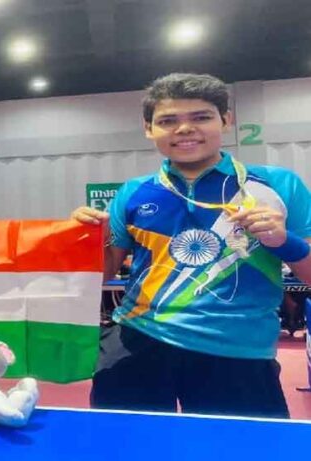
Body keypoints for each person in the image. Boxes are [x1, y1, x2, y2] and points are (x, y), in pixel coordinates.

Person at [71, 73, 311, 418]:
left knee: (237, 449)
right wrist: (91, 238)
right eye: (168, 121)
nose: (184, 129)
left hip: (238, 351)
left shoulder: (278, 185)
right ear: (148, 129)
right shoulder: (133, 192)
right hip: (136, 342)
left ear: (226, 120)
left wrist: (284, 242)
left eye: (201, 117)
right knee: (127, 448)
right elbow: (103, 272)